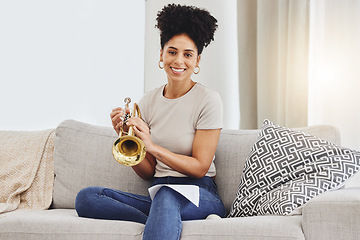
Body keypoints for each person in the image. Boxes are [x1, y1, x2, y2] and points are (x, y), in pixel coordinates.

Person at [75, 4, 225, 240]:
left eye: (188, 54)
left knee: (167, 196)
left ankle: (163, 213)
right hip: (158, 191)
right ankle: (163, 216)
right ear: (161, 55)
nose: (179, 61)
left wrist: (153, 146)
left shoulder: (208, 100)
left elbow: (200, 166)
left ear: (197, 61)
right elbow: (147, 173)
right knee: (86, 198)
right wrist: (126, 137)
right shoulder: (148, 101)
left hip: (199, 193)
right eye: (172, 52)